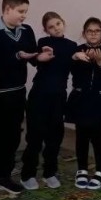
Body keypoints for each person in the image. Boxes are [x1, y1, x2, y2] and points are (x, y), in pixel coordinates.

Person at [0, 0, 39, 198]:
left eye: (26, 11)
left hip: (17, 92)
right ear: (7, 9)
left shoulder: (27, 31)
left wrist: (41, 56)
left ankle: (4, 176)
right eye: (21, 11)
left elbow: (32, 54)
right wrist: (18, 56)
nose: (24, 15)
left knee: (12, 136)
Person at [21, 12, 75, 190]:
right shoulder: (43, 43)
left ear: (63, 23)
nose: (56, 28)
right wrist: (39, 56)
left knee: (55, 137)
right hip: (39, 95)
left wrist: (79, 57)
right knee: (35, 136)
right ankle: (27, 174)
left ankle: (49, 172)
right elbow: (36, 60)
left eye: (58, 24)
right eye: (51, 27)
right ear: (46, 30)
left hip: (58, 97)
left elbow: (72, 64)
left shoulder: (72, 46)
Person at [66, 17, 101, 190]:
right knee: (81, 136)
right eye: (89, 31)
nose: (93, 34)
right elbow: (70, 70)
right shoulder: (77, 50)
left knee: (98, 137)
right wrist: (75, 57)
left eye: (97, 31)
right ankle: (82, 169)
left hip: (99, 100)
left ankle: (100, 171)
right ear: (84, 33)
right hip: (81, 99)